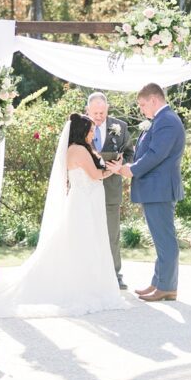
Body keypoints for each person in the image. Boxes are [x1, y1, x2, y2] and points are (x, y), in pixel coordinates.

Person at [0, 113, 130, 318]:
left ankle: (91, 283)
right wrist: (114, 170)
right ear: (82, 131)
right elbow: (95, 176)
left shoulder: (80, 149)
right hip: (85, 203)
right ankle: (87, 287)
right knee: (86, 243)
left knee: (86, 243)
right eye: (91, 129)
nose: (93, 131)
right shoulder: (78, 150)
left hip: (86, 201)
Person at [107, 83, 186, 303]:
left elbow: (155, 155)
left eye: (143, 104)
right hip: (155, 189)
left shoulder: (167, 121)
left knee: (165, 240)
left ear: (154, 100)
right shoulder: (160, 121)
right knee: (161, 239)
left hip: (159, 189)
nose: (142, 109)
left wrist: (129, 170)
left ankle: (167, 287)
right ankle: (159, 283)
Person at [86, 92, 132, 290]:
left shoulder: (120, 127)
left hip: (111, 189)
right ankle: (88, 274)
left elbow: (130, 151)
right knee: (87, 232)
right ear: (87, 110)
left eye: (102, 112)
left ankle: (115, 274)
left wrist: (122, 164)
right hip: (86, 190)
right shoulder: (79, 125)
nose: (98, 116)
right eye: (95, 112)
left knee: (112, 233)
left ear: (107, 109)